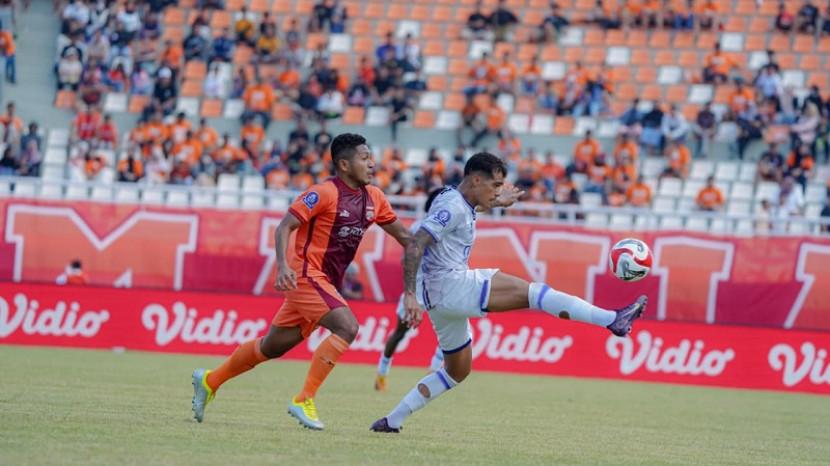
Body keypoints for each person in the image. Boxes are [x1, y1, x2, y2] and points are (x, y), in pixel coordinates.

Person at [369, 152, 647, 433]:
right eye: (495, 185)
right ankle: (611, 319)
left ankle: (392, 420)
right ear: (476, 180)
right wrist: (409, 295)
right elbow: (415, 243)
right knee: (535, 293)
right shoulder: (453, 206)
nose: (498, 191)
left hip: (439, 300)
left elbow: (464, 211)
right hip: (452, 285)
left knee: (456, 372)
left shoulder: (459, 200)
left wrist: (496, 202)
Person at [191, 134, 412, 430]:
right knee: (347, 327)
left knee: (272, 347)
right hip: (306, 275)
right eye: (364, 158)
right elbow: (285, 226)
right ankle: (303, 399)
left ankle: (210, 381)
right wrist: (283, 266)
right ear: (344, 164)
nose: (372, 163)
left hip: (325, 283)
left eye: (371, 157)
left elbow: (406, 238)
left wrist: (437, 242)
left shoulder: (375, 198)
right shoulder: (323, 193)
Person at [375, 189, 446, 392]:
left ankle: (433, 371)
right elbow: (406, 258)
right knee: (400, 332)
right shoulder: (418, 228)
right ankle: (382, 372)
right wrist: (410, 291)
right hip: (418, 290)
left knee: (452, 328)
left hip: (442, 288)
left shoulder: (450, 225)